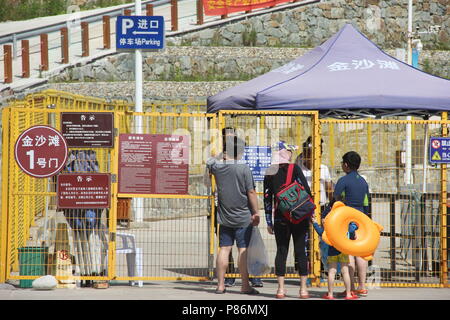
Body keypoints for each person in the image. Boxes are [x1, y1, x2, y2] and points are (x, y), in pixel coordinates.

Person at [205, 127, 263, 288]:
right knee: (242, 249)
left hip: (224, 216)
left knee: (224, 249)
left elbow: (209, 162)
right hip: (243, 216)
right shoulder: (243, 168)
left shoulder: (218, 167)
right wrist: (256, 212)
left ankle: (220, 285)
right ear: (239, 152)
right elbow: (251, 192)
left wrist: (220, 157)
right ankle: (245, 285)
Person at [263, 141, 311, 299]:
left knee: (281, 251)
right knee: (301, 251)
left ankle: (280, 289)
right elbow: (307, 191)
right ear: (286, 154)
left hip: (280, 217)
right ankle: (303, 290)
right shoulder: (295, 168)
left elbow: (267, 199)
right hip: (299, 217)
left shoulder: (269, 172)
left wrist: (269, 222)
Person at [333, 151, 370, 297]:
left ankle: (351, 288)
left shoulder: (343, 180)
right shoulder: (363, 181)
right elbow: (367, 202)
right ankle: (362, 286)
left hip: (347, 220)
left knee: (348, 253)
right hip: (362, 219)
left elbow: (336, 199)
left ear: (346, 165)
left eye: (342, 163)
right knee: (360, 253)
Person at [312, 211, 359, 300]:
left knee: (331, 272)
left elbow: (320, 233)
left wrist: (314, 222)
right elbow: (352, 234)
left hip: (332, 252)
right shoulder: (345, 225)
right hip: (343, 251)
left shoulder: (329, 227)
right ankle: (348, 294)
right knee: (345, 272)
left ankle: (330, 294)